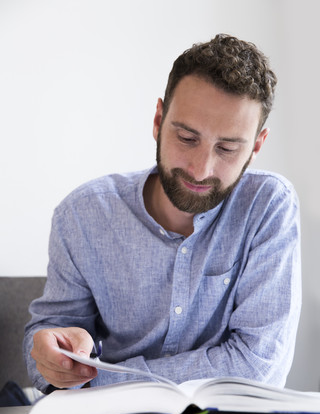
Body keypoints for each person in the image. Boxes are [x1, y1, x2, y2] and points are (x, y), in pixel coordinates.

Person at [24, 34, 301, 393]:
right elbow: (45, 352)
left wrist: (102, 380)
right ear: (158, 120)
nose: (201, 170)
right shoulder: (82, 215)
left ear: (257, 146)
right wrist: (53, 356)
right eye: (187, 138)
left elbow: (258, 366)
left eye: (228, 148)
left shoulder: (268, 205)